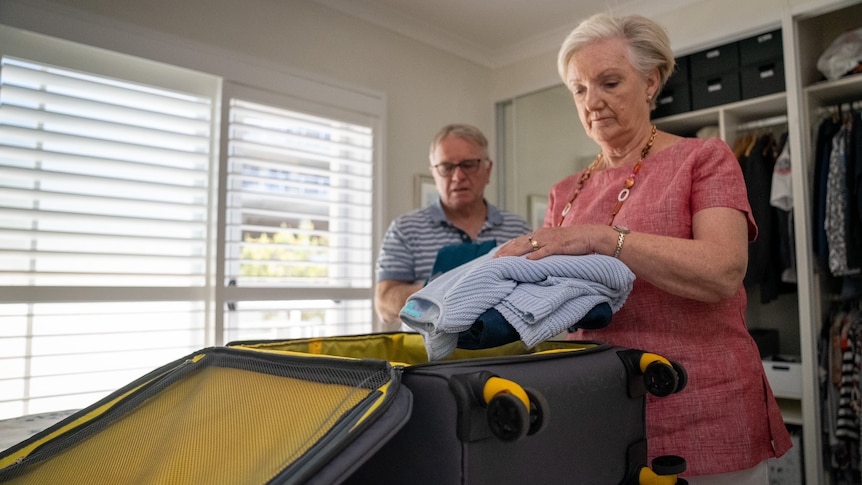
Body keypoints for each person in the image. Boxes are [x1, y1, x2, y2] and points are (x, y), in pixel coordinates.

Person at [494, 13, 791, 484]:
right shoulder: (564, 191)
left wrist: (601, 239)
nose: (592, 102)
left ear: (651, 81)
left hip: (701, 408)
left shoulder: (703, 159)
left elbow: (722, 271)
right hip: (596, 409)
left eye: (609, 82)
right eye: (579, 89)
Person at [375, 123, 532, 326]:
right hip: (430, 355)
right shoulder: (405, 229)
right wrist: (440, 289)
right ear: (434, 173)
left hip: (510, 354)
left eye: (468, 165)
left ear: (488, 169)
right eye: (447, 167)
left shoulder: (518, 229)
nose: (458, 177)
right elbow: (384, 304)